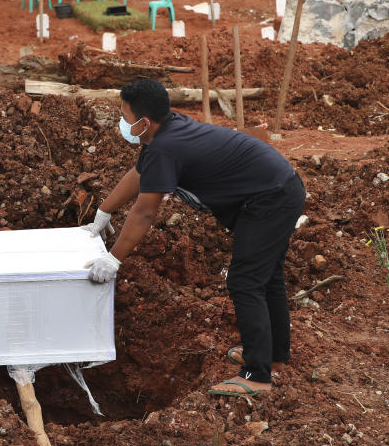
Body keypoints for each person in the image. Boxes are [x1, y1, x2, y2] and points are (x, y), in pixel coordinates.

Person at [82, 79, 305, 398]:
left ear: (145, 122)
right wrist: (104, 212)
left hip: (272, 197)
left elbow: (145, 212)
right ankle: (274, 355)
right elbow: (141, 173)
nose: (123, 122)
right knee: (266, 276)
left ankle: (257, 374)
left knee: (245, 281)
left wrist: (114, 259)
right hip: (277, 187)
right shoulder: (166, 132)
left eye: (125, 115)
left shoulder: (165, 146)